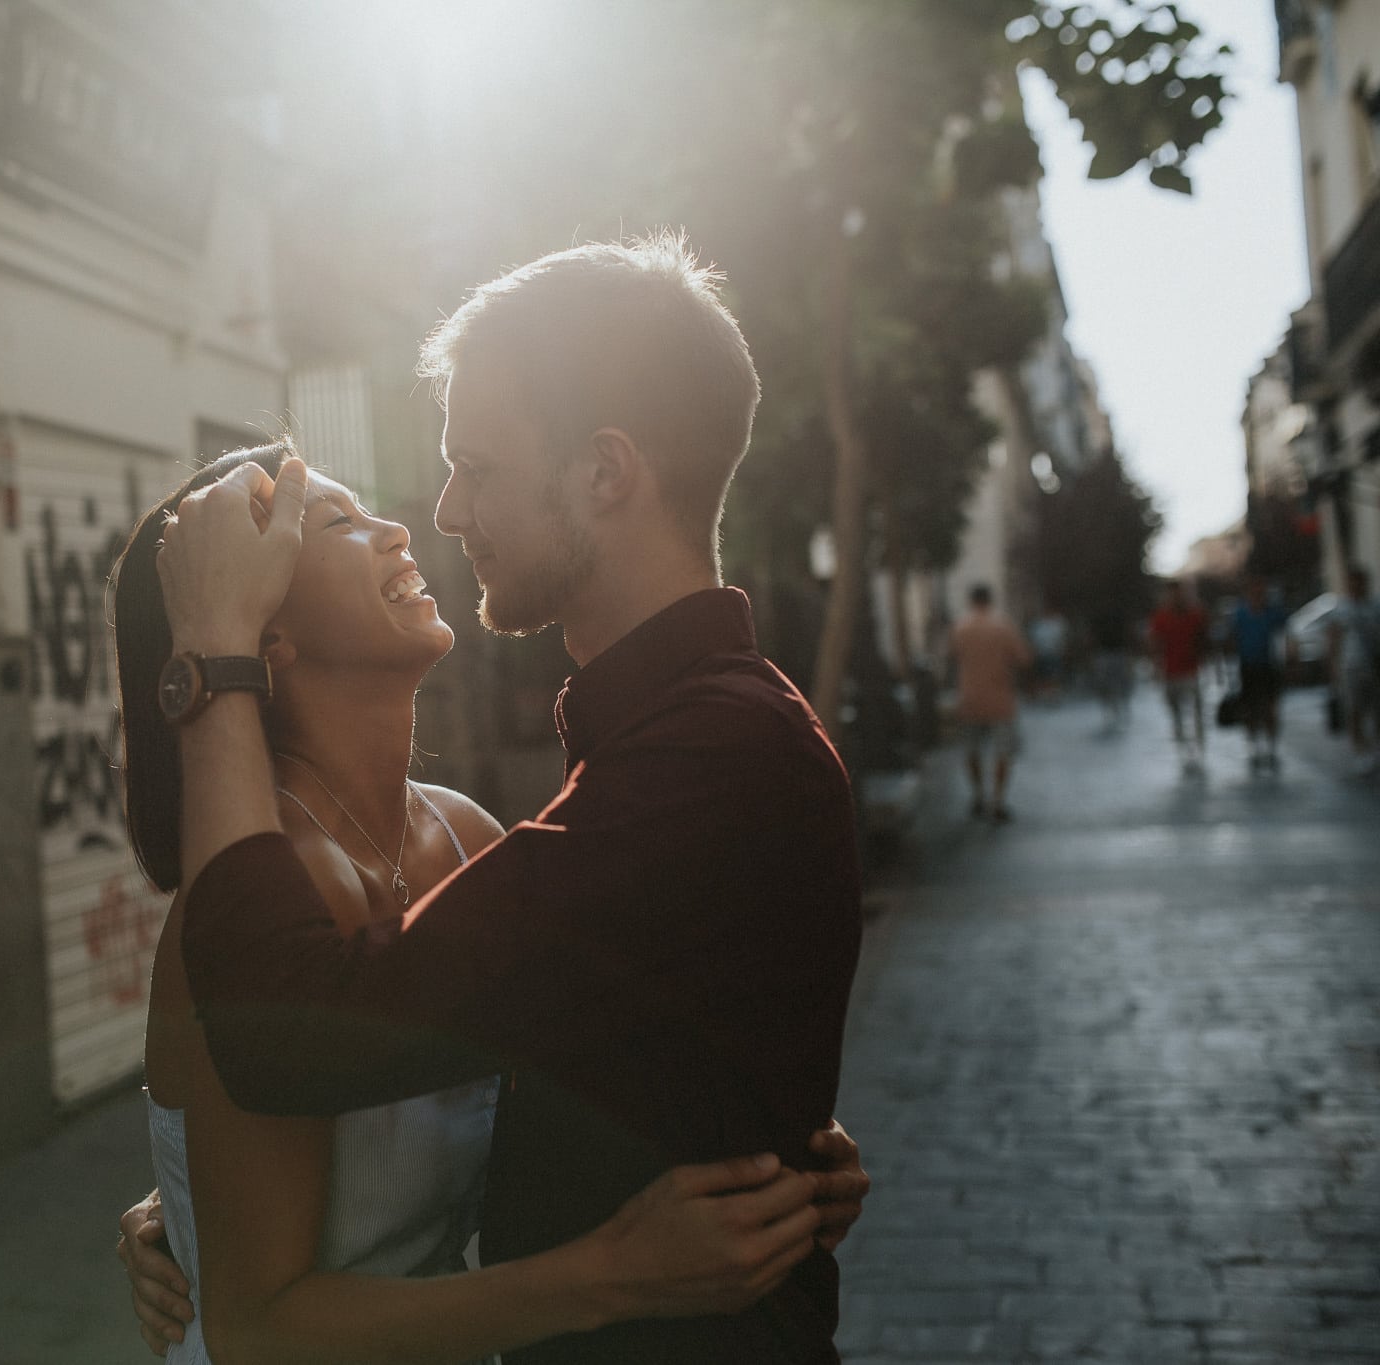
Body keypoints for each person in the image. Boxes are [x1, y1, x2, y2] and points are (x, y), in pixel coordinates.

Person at [145, 235, 863, 1363]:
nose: (440, 511)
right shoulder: (667, 745)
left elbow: (286, 1036)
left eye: (476, 466)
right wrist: (186, 1204)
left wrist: (210, 663)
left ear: (602, 473)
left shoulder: (703, 756)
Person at [947, 583, 1031, 823]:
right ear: (990, 600)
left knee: (971, 749)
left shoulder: (961, 627)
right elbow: (1024, 658)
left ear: (971, 601)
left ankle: (977, 795)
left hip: (969, 697)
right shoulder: (1002, 626)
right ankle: (998, 800)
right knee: (1003, 750)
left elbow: (950, 656)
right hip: (1000, 697)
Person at [1228, 576, 1292, 772]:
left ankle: (1271, 747)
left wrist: (1290, 657)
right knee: (1251, 709)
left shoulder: (1273, 612)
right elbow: (1232, 639)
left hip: (1269, 666)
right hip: (1248, 667)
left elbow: (1286, 633)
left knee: (1270, 708)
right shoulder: (1240, 614)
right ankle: (1254, 747)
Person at [1147, 579, 1209, 773]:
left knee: (1196, 710)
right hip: (1170, 672)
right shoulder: (1161, 617)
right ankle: (1184, 749)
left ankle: (1199, 747)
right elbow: (1155, 643)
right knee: (1177, 714)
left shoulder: (1194, 614)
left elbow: (1203, 639)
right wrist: (1156, 669)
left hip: (1191, 670)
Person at [1325, 565, 1380, 776]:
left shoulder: (1375, 607)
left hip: (1374, 666)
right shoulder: (1342, 609)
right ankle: (1361, 752)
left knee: (1376, 710)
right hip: (1351, 667)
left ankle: (1374, 748)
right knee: (1355, 710)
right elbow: (1333, 639)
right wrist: (1333, 669)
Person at [1028, 601, 1068, 703]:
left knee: (1053, 674)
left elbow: (1062, 637)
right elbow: (1034, 638)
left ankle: (1053, 695)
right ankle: (1047, 695)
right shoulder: (1038, 623)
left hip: (1054, 652)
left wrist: (1061, 648)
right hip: (1042, 653)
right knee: (1044, 675)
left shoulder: (1058, 622)